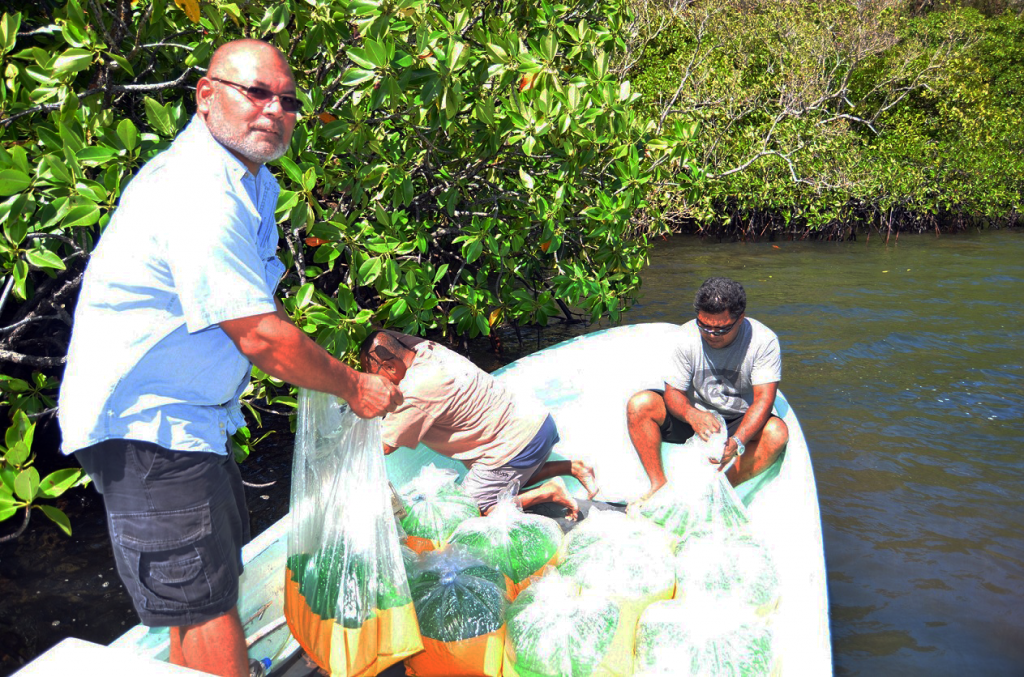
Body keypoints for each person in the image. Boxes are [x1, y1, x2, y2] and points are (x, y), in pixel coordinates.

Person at [57, 40, 401, 677]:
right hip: (149, 429)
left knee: (198, 596)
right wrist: (354, 386)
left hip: (191, 424)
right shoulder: (198, 190)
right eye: (256, 92)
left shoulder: (248, 181)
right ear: (206, 95)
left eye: (287, 99)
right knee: (204, 603)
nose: (275, 109)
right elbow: (261, 336)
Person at [359, 330, 599, 518]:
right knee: (502, 478)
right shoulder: (426, 349)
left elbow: (383, 446)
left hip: (516, 447)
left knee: (469, 510)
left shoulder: (415, 392)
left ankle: (549, 493)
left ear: (390, 367)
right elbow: (384, 337)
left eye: (376, 378)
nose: (378, 385)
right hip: (539, 424)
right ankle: (573, 467)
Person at [625, 277, 788, 500]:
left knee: (777, 433)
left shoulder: (763, 341)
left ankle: (719, 490)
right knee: (640, 405)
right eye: (704, 326)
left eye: (720, 330)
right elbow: (674, 393)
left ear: (740, 319)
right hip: (695, 415)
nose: (711, 335)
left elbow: (763, 399)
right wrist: (692, 414)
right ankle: (657, 486)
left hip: (739, 418)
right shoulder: (686, 336)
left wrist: (738, 441)